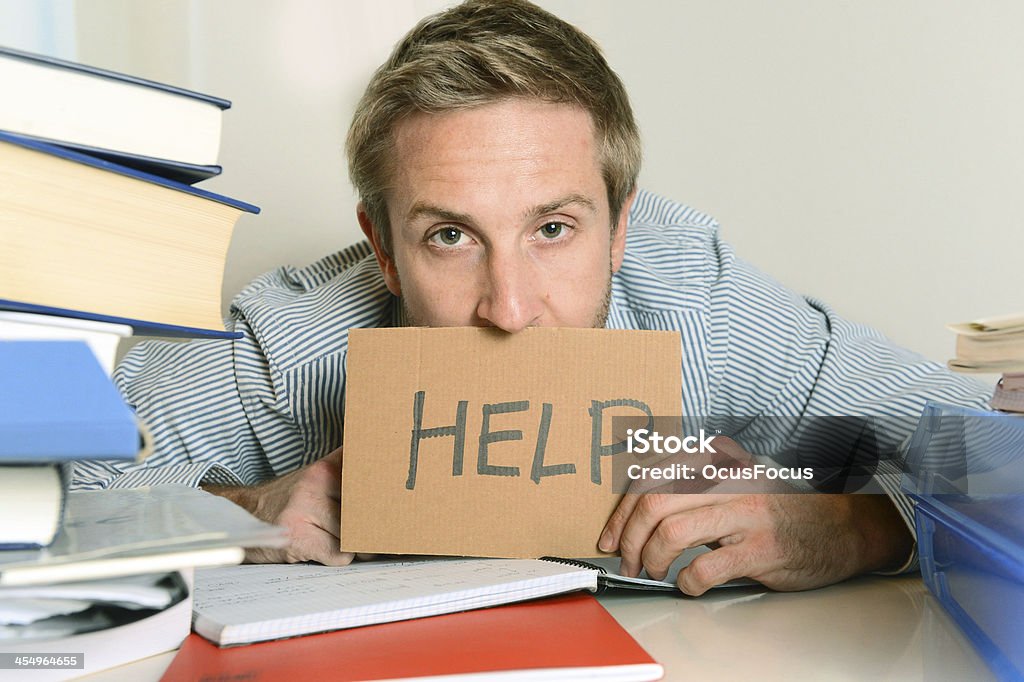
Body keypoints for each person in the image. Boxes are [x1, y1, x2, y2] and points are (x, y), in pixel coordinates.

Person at [74, 0, 988, 595]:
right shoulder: (286, 347)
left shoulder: (703, 308)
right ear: (382, 253)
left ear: (622, 227)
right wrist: (242, 511)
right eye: (449, 236)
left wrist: (857, 527)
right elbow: (49, 489)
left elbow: (993, 452)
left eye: (553, 229)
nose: (508, 309)